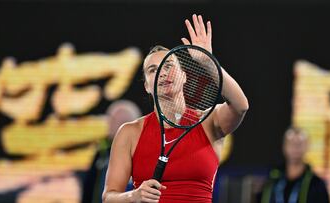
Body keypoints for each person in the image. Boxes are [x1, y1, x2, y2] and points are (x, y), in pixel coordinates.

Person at [102, 14, 249, 203]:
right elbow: (109, 197)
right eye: (153, 70)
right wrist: (133, 195)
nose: (162, 73)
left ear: (184, 76)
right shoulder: (130, 133)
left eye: (168, 66)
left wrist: (208, 62)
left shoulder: (208, 121)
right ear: (147, 86)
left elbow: (240, 106)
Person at [82, 100, 141, 203]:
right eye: (113, 120)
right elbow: (89, 188)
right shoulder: (101, 153)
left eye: (122, 121)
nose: (117, 126)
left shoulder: (145, 153)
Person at [260, 127, 330, 203]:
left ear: (307, 146)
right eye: (291, 143)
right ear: (284, 146)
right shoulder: (272, 180)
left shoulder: (316, 185)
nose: (295, 147)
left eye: (299, 144)